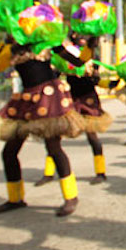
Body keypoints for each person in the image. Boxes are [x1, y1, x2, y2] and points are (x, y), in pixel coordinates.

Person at [0, 6, 85, 217]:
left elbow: (76, 61)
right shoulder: (14, 48)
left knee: (53, 148)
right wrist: (6, 40)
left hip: (48, 97)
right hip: (25, 100)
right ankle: (15, 198)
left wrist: (85, 51)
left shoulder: (48, 43)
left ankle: (71, 197)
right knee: (9, 152)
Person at [37, 35, 112, 186]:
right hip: (70, 97)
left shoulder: (91, 56)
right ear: (73, 35)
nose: (82, 37)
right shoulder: (65, 53)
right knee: (55, 134)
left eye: (86, 34)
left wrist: (108, 83)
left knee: (92, 136)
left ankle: (101, 172)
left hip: (87, 97)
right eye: (79, 33)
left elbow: (95, 78)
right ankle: (49, 172)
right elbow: (56, 73)